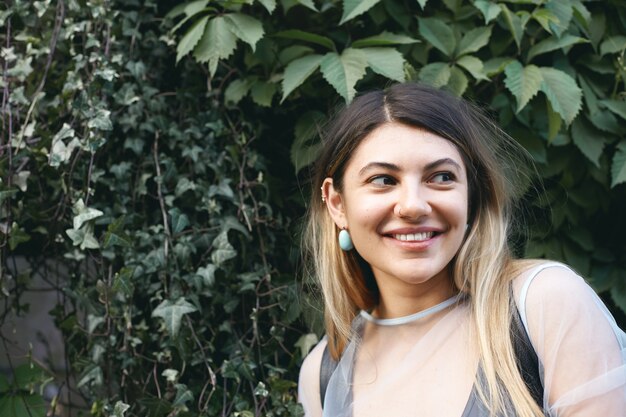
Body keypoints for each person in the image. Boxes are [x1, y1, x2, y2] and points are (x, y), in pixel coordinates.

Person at [297, 83, 626, 417]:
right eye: (383, 180)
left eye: (441, 177)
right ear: (337, 204)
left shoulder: (545, 306)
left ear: (471, 195)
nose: (413, 206)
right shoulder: (322, 375)